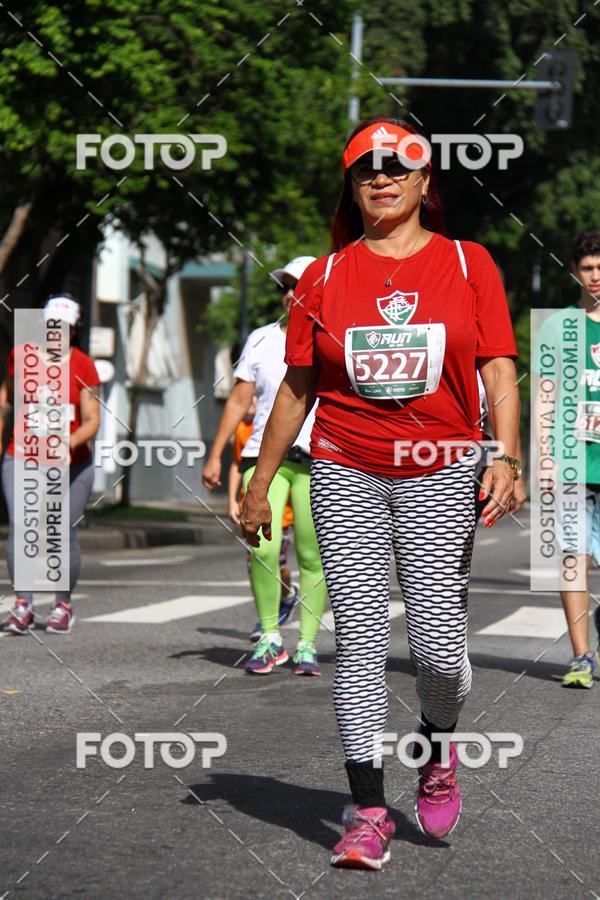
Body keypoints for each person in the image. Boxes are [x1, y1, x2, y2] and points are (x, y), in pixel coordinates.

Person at [241, 118, 522, 868]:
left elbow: (497, 364)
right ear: (352, 186)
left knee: (438, 650)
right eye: (366, 169)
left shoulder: (468, 263)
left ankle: (436, 746)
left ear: (425, 182)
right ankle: (367, 810)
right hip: (345, 467)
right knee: (360, 641)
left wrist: (506, 454)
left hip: (441, 466)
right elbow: (297, 388)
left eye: (398, 166)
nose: (382, 177)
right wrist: (260, 481)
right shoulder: (323, 277)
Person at [202, 256, 328, 676]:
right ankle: (270, 638)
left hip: (317, 459)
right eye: (286, 287)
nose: (291, 294)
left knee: (311, 554)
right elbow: (239, 400)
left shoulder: (334, 338)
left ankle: (307, 644)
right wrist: (216, 453)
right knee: (262, 546)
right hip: (263, 457)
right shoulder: (261, 339)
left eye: (300, 286)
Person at [3, 294, 100, 634]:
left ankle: (63, 604)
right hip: (22, 455)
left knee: (61, 531)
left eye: (64, 327)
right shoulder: (21, 356)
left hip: (73, 464)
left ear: (74, 330)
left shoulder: (83, 365)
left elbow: (92, 420)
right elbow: (6, 399)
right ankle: (23, 604)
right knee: (22, 525)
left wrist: (69, 442)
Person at [537, 230, 600, 688]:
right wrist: (545, 457)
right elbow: (545, 395)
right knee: (573, 559)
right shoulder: (558, 326)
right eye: (588, 268)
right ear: (575, 272)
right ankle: (581, 657)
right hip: (572, 460)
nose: (595, 276)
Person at [228, 395, 299, 641]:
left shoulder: (283, 426)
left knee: (277, 565)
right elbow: (237, 464)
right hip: (252, 508)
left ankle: (287, 593)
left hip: (282, 515)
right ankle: (265, 618)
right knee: (255, 560)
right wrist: (232, 499)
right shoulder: (242, 430)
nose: (250, 402)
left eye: (255, 397)